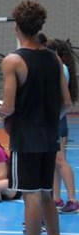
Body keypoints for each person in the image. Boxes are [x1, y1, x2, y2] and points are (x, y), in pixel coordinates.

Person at [1, 0, 71, 235]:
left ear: (17, 27)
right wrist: (49, 120)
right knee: (47, 196)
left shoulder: (13, 60)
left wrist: (3, 113)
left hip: (25, 138)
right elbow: (66, 101)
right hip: (49, 136)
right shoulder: (54, 59)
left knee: (30, 197)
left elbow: (8, 107)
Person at [45, 38, 79, 214]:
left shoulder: (59, 68)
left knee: (60, 159)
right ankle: (56, 198)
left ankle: (73, 200)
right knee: (54, 162)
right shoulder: (58, 67)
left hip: (57, 119)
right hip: (54, 118)